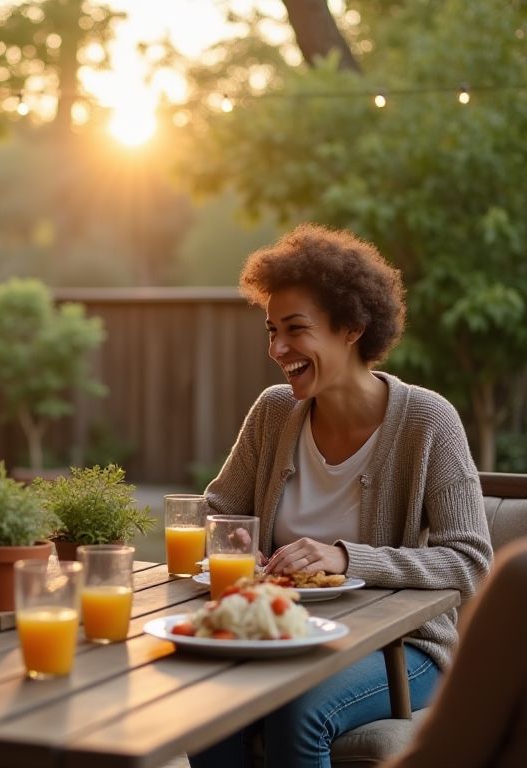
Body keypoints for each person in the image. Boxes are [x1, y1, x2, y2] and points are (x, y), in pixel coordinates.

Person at [191, 224, 493, 768]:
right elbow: (218, 510)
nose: (278, 348)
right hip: (281, 630)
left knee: (297, 709)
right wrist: (234, 542)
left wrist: (348, 557)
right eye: (271, 330)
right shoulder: (273, 411)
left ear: (352, 327)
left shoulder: (428, 421)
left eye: (296, 329)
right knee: (207, 706)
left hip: (402, 648)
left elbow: (470, 561)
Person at [382, 537, 527, 768]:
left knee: (306, 708)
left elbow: (438, 758)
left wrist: (353, 559)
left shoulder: (520, 578)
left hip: (413, 643)